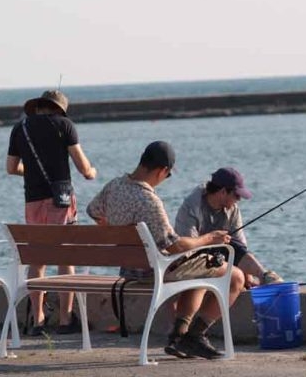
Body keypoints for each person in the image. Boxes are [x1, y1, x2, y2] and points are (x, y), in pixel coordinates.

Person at [86, 141, 245, 359]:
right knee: (235, 277)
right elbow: (175, 245)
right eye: (167, 175)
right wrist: (210, 238)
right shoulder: (149, 200)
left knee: (200, 267)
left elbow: (92, 210)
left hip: (130, 270)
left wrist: (116, 231)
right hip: (156, 271)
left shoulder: (114, 186)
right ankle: (195, 336)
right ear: (162, 170)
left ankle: (179, 336)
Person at [6, 90, 97, 336]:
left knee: (38, 259)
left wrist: (33, 171)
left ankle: (38, 320)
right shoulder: (64, 125)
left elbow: (11, 168)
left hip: (32, 201)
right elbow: (83, 167)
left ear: (38, 106)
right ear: (59, 109)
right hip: (61, 200)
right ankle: (66, 320)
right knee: (64, 257)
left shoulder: (20, 128)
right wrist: (92, 172)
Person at [175, 167, 283, 288]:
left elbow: (240, 245)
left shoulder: (233, 208)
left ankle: (264, 276)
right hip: (191, 260)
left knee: (233, 245)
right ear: (223, 192)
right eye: (236, 195)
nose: (239, 200)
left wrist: (248, 277)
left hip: (219, 259)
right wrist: (211, 239)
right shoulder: (191, 206)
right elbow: (185, 247)